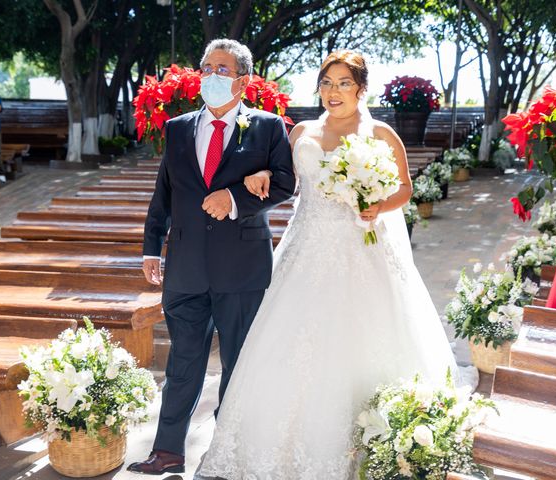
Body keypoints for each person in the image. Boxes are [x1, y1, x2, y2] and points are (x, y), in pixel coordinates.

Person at [197, 50, 460, 480]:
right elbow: (282, 178)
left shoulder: (380, 133)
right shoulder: (301, 130)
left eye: (343, 84)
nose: (333, 92)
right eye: (326, 83)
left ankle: (379, 445)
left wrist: (378, 204)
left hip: (362, 249)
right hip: (306, 249)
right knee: (289, 343)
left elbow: (405, 189)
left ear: (360, 89)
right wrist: (258, 176)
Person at [127, 39, 296, 475]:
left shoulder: (268, 127)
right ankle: (167, 451)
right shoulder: (179, 127)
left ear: (242, 80)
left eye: (221, 68)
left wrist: (235, 198)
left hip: (241, 268)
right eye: (206, 67)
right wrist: (152, 246)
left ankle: (228, 450)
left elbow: (284, 184)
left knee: (239, 364)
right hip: (184, 266)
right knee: (182, 364)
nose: (210, 75)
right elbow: (164, 191)